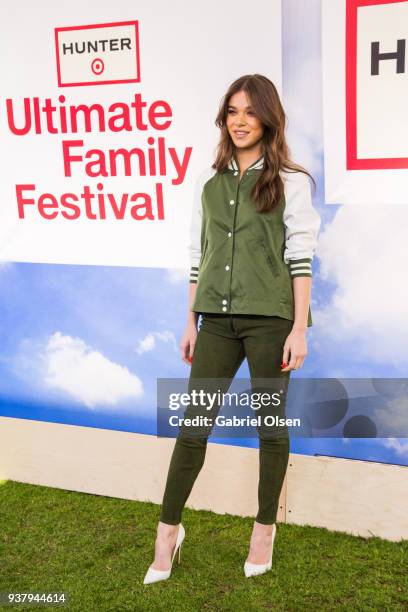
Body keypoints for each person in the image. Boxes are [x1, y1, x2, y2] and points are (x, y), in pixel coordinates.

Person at [143, 74, 321, 584]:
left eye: (249, 112)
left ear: (267, 118)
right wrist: (191, 320)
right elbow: (198, 256)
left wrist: (298, 330)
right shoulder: (207, 181)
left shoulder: (290, 181)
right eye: (232, 112)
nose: (239, 121)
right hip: (215, 321)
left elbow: (301, 259)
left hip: (272, 322)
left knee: (270, 428)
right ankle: (168, 532)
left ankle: (264, 530)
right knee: (192, 427)